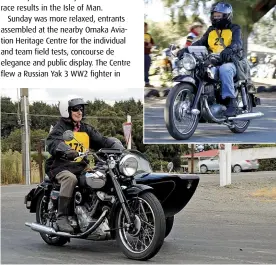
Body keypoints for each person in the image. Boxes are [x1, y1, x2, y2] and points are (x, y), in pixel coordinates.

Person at [45, 97, 124, 233]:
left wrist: (116, 146)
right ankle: (62, 217)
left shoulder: (84, 128)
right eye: (76, 109)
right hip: (61, 166)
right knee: (70, 179)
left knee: (100, 176)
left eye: (81, 109)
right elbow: (52, 142)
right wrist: (66, 150)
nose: (80, 112)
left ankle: (94, 211)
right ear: (67, 110)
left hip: (80, 166)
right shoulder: (60, 128)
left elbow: (101, 140)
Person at [177, 2, 243, 117]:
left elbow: (237, 43)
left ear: (226, 15)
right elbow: (200, 42)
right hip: (213, 60)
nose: (215, 17)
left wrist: (230, 50)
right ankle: (201, 102)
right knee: (199, 70)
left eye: (219, 15)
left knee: (225, 69)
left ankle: (232, 102)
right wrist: (186, 50)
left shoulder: (235, 28)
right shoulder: (211, 30)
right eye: (214, 15)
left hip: (230, 61)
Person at [144, 22, 155, 87]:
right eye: (145, 27)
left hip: (147, 54)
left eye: (147, 27)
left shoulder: (148, 35)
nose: (146, 28)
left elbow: (152, 43)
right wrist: (147, 44)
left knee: (146, 69)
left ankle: (147, 82)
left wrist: (150, 45)